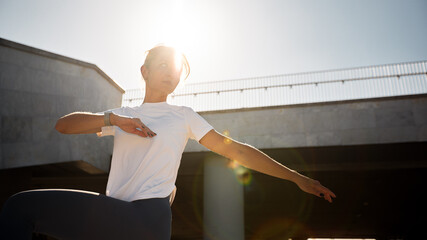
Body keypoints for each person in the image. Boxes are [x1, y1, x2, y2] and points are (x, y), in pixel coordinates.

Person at [0, 44, 336, 240]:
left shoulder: (183, 115)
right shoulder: (123, 113)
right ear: (144, 71)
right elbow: (64, 125)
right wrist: (114, 120)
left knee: (20, 207)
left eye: (175, 69)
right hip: (111, 214)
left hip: (147, 217)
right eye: (162, 65)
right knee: (20, 207)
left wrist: (297, 177)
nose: (170, 73)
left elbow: (235, 150)